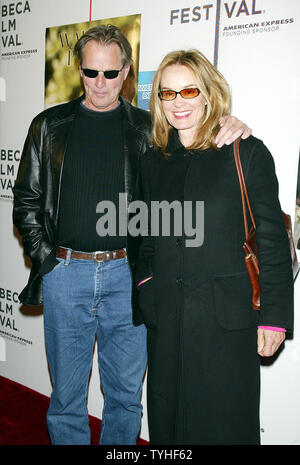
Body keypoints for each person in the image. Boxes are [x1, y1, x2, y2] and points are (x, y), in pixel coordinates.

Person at [12, 24, 252, 446]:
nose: (99, 83)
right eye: (90, 73)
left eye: (110, 73)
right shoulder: (48, 126)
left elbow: (193, 154)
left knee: (125, 397)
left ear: (126, 71)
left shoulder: (148, 129)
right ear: (79, 71)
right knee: (66, 398)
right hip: (65, 274)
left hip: (128, 277)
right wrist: (48, 259)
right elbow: (26, 200)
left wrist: (230, 125)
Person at [135, 49, 294, 445]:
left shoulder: (246, 152)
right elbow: (146, 241)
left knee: (224, 427)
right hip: (167, 322)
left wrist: (274, 318)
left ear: (208, 93)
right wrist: (147, 292)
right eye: (167, 94)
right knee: (168, 427)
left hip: (226, 322)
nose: (178, 103)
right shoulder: (154, 160)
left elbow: (272, 241)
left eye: (189, 90)